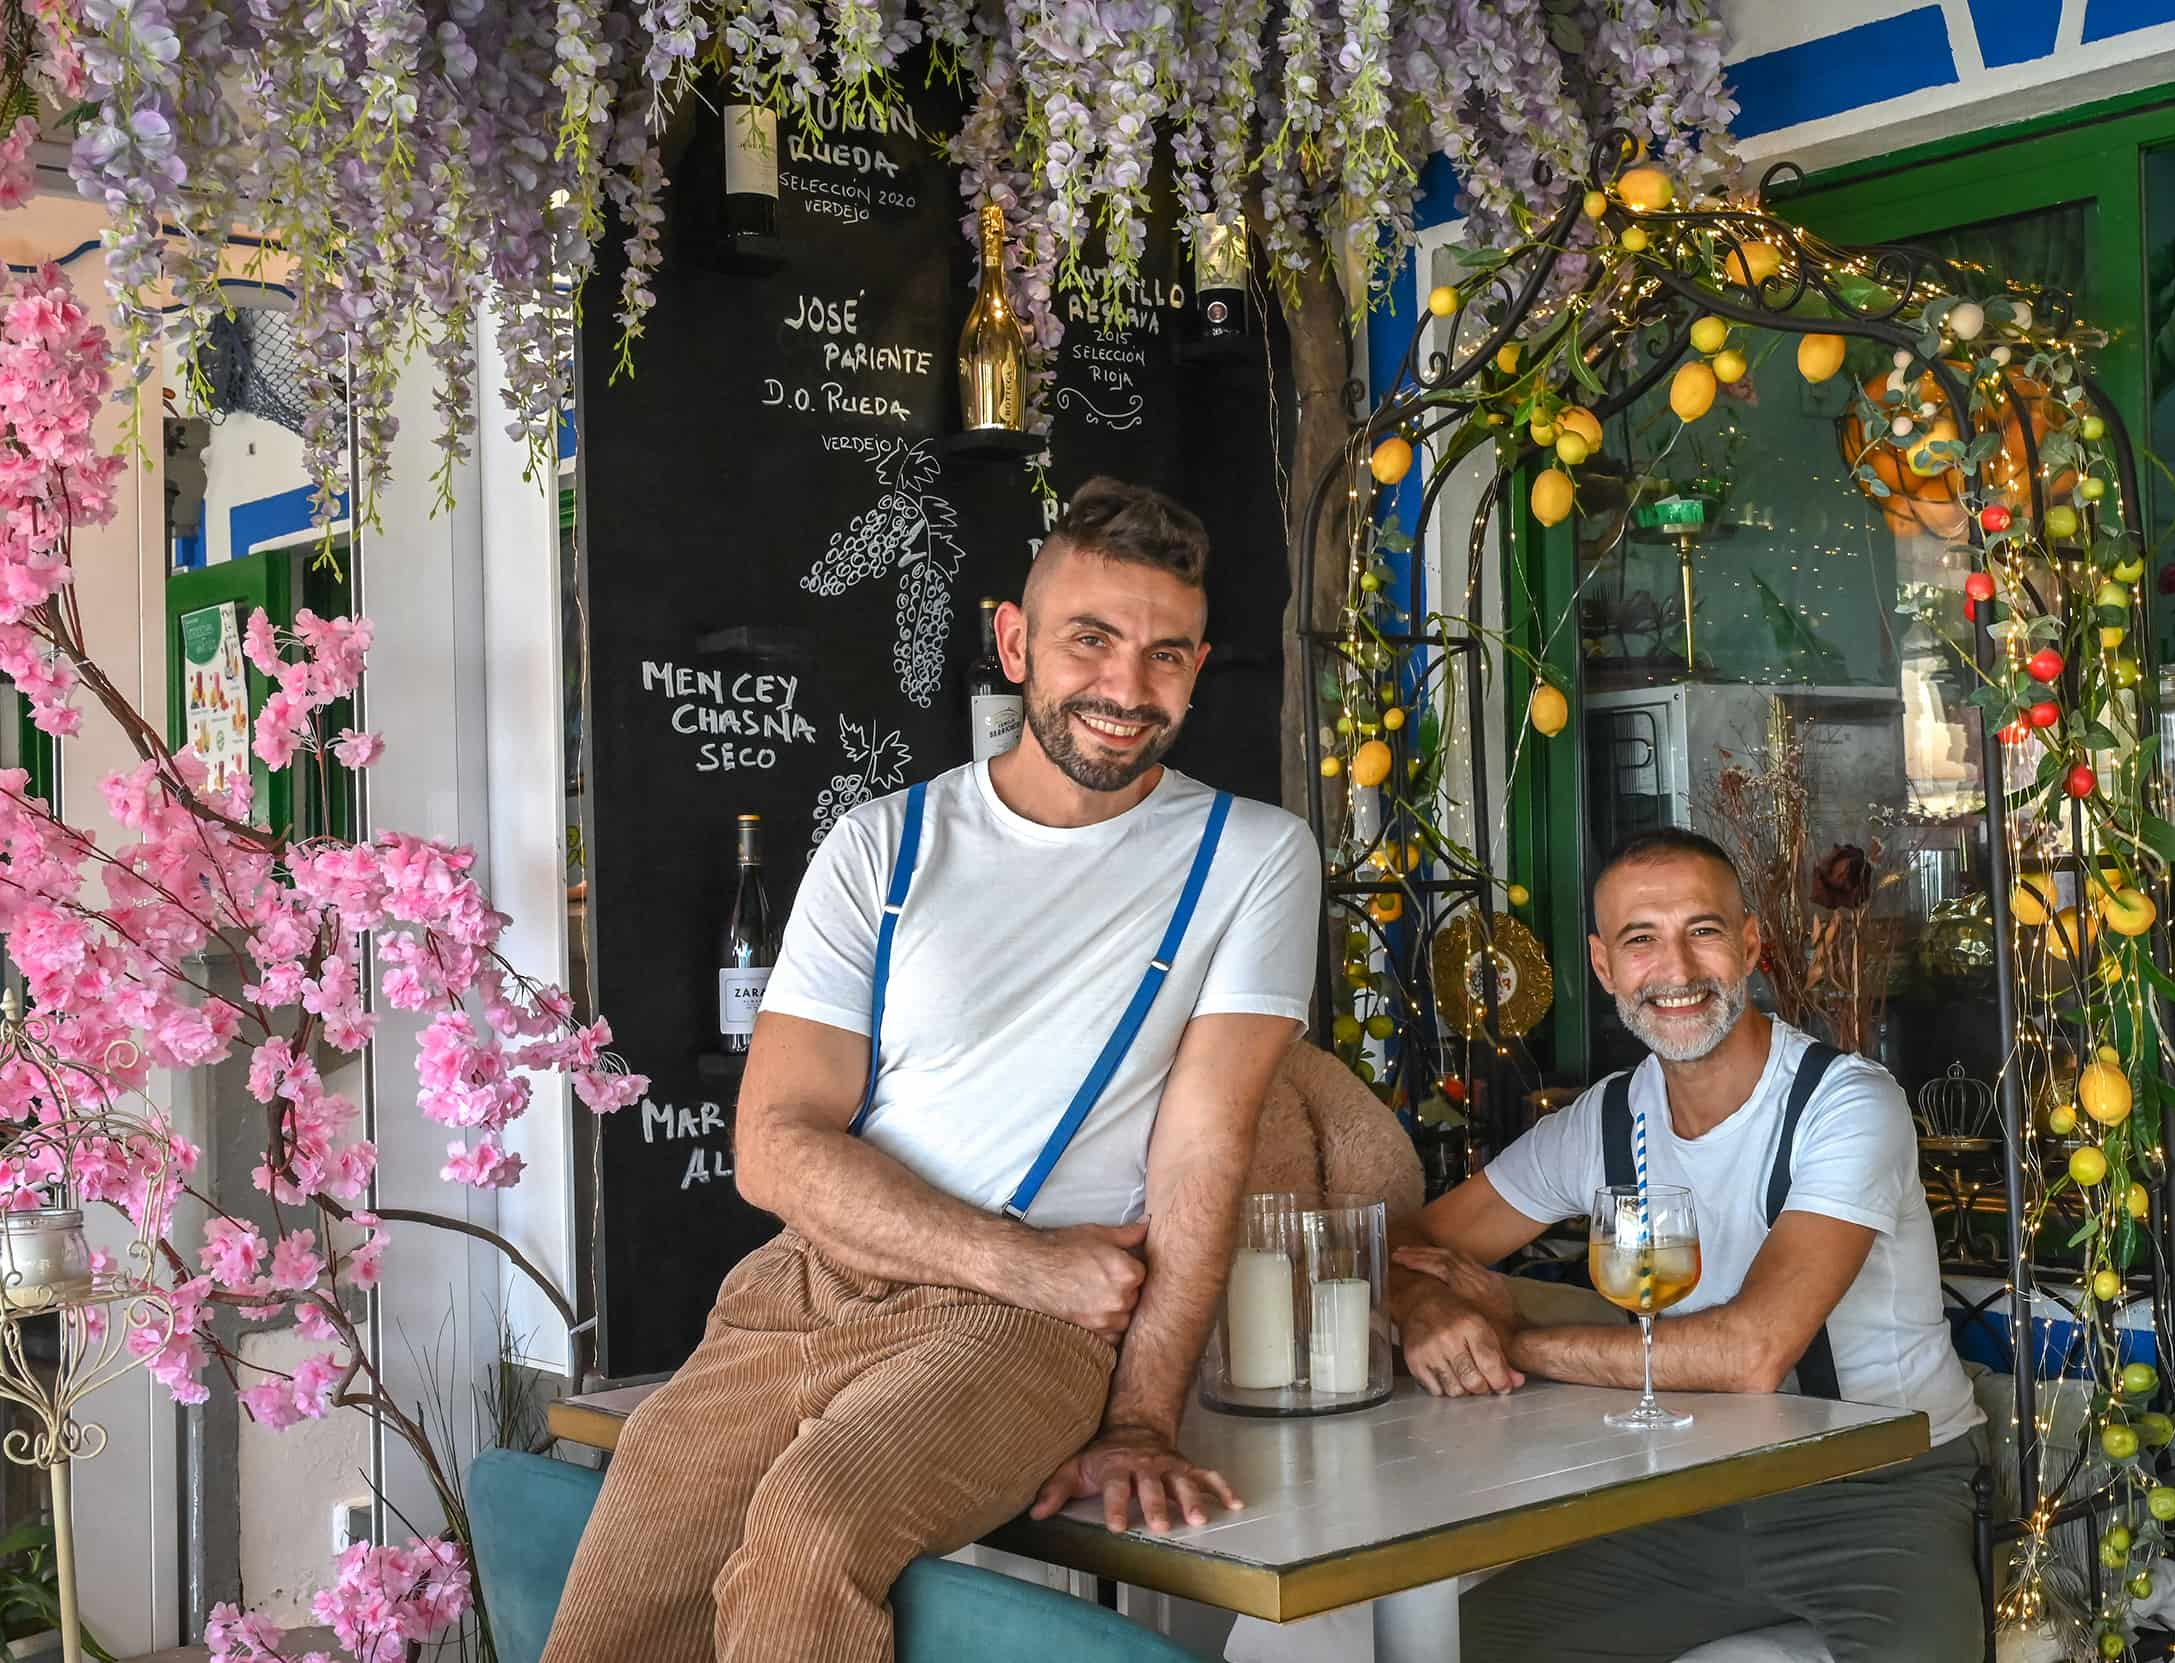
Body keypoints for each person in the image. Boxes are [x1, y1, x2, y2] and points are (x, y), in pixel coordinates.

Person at [544, 477, 1321, 1663]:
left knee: (810, 1531)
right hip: (814, 1288)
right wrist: (1022, 1260)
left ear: (1200, 662)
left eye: (1165, 655)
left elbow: (1203, 1144)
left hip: (1016, 1334)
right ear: (1014, 640)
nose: (1125, 687)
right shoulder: (881, 843)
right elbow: (775, 1143)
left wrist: (1141, 1416)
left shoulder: (1252, 858)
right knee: (630, 1586)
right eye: (1090, 640)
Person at [1389, 826, 1989, 1663]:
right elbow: (1404, 1241)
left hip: (1880, 1491)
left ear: (1748, 944)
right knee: (1470, 1650)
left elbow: (1753, 1351)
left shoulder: (1846, 1103)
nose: (1675, 969)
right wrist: (1422, 1306)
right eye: (1641, 939)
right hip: (1685, 1492)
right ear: (1604, 968)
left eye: (1702, 930)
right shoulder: (1599, 1123)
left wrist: (1513, 1339)